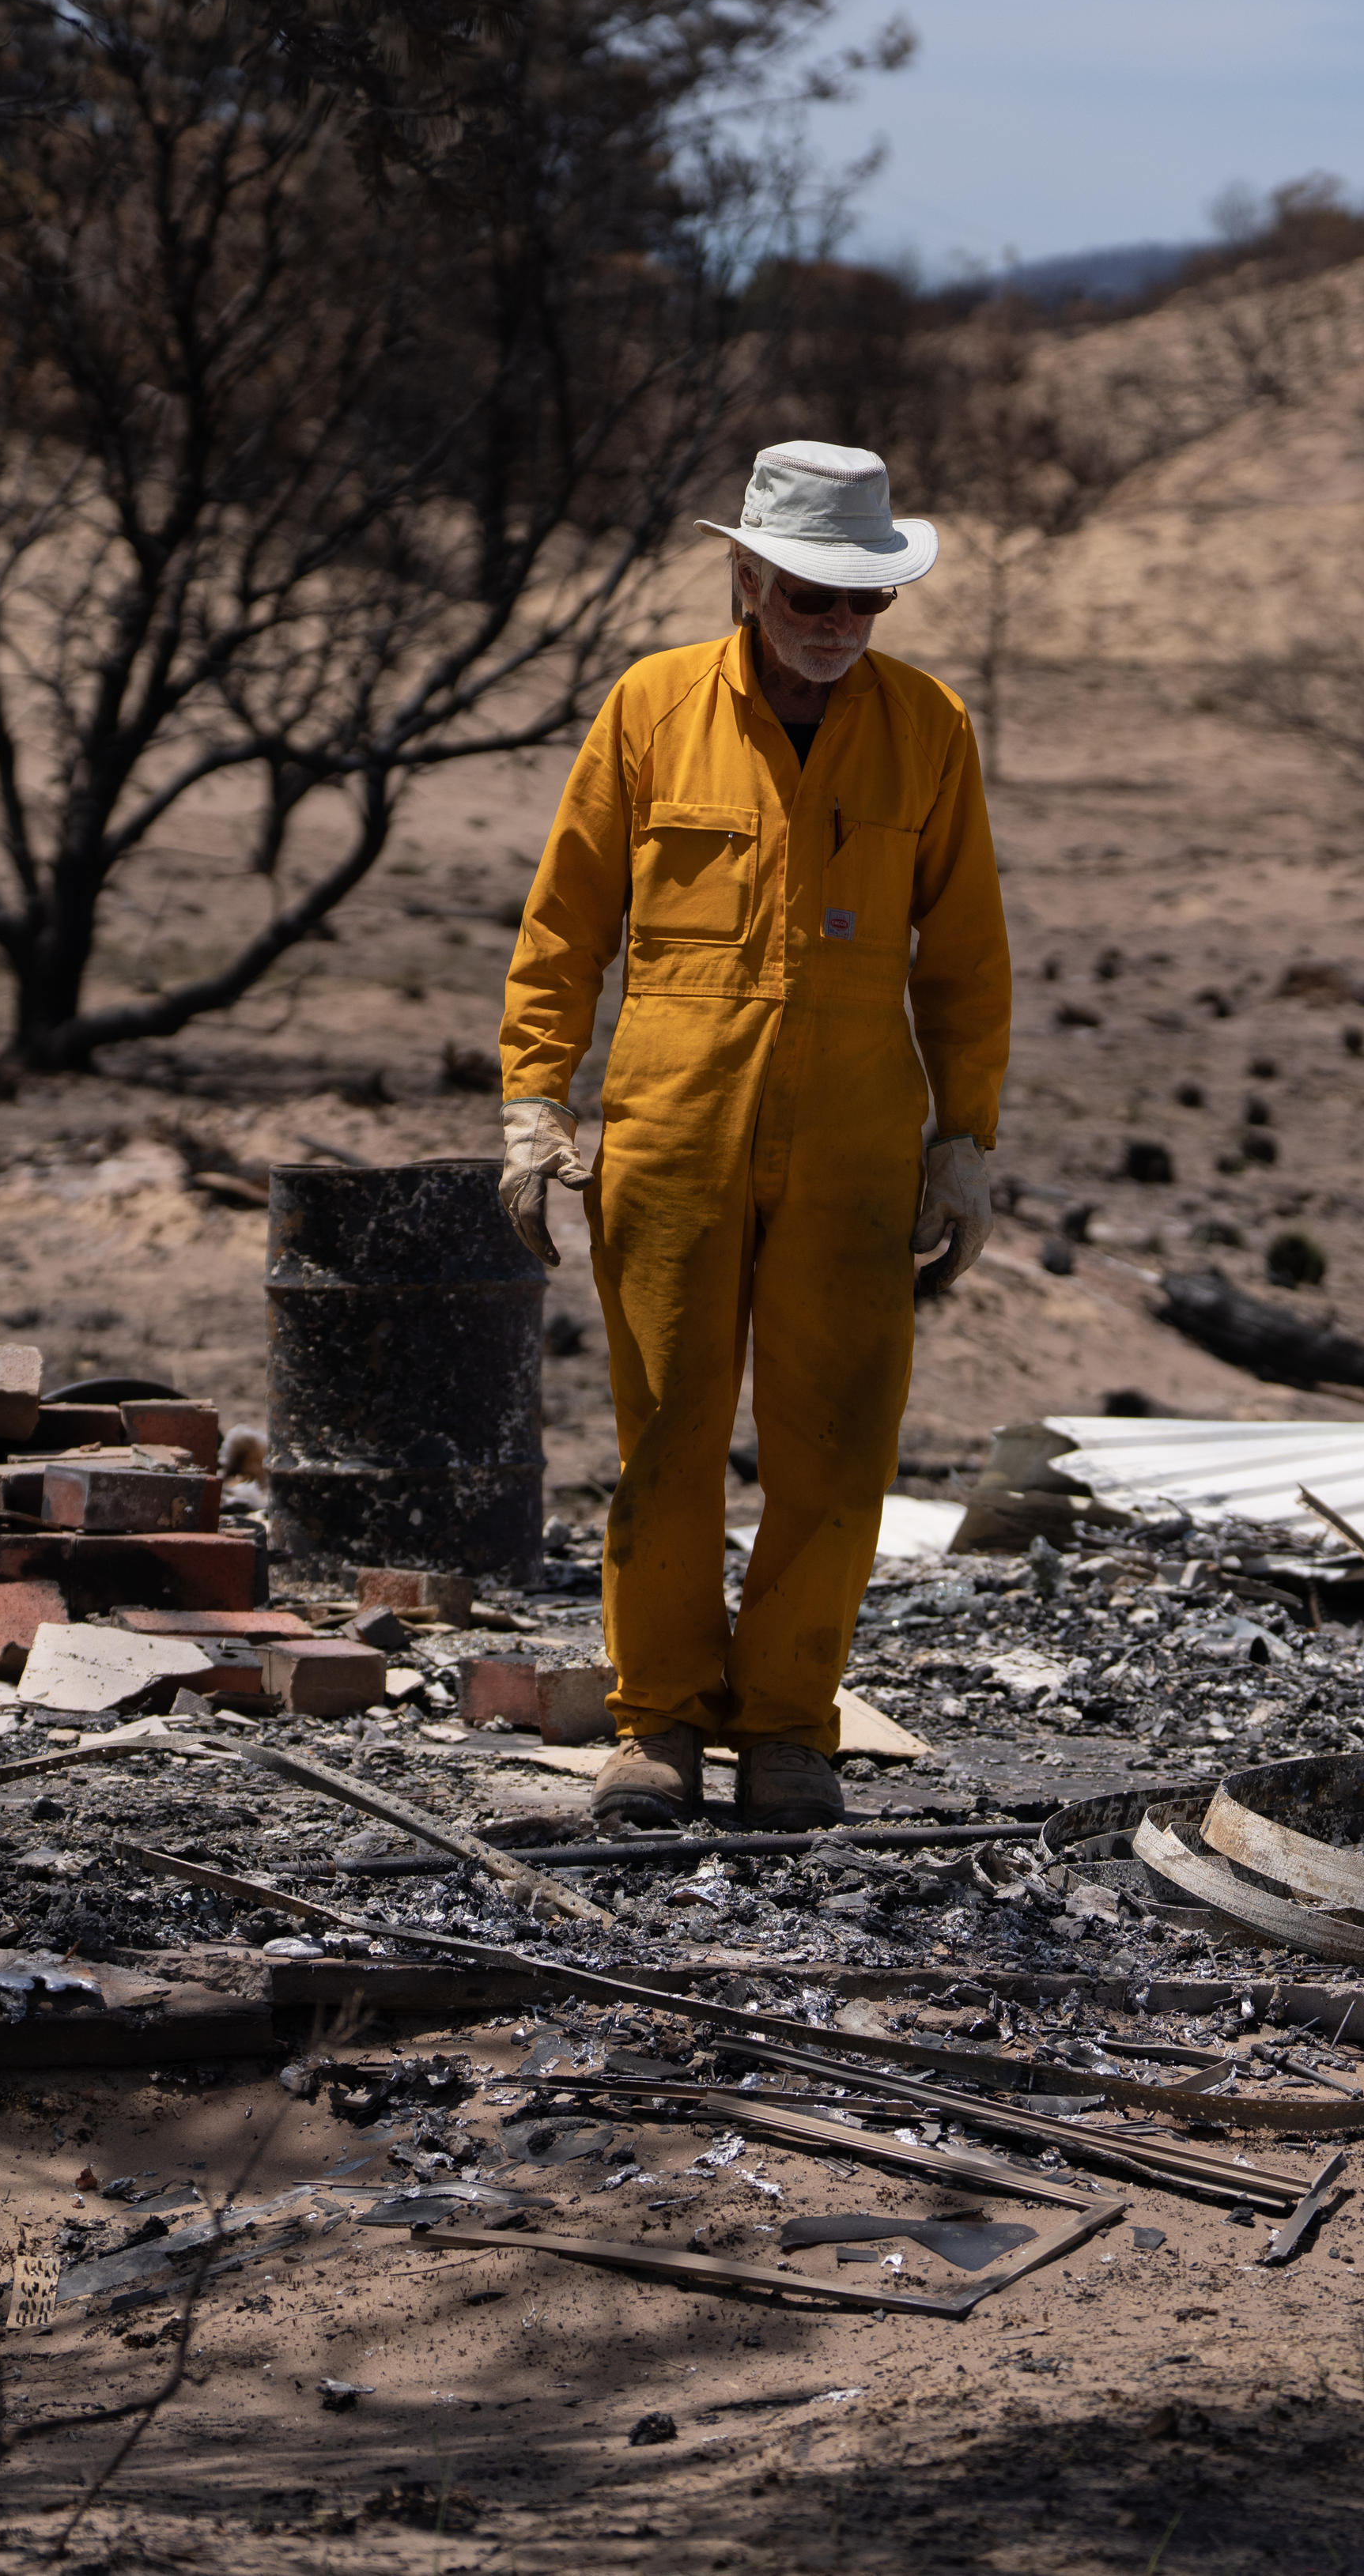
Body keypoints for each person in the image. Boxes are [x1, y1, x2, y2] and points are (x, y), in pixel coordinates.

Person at [495, 440, 1010, 1833]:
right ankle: (658, 1723)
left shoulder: (929, 730)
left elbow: (962, 958)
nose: (836, 626)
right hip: (672, 1130)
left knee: (837, 1446)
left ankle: (789, 1726)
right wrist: (537, 1107)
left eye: (862, 603)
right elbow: (564, 929)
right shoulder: (651, 708)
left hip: (854, 1147)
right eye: (809, 594)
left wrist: (966, 1138)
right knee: (667, 1431)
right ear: (746, 576)